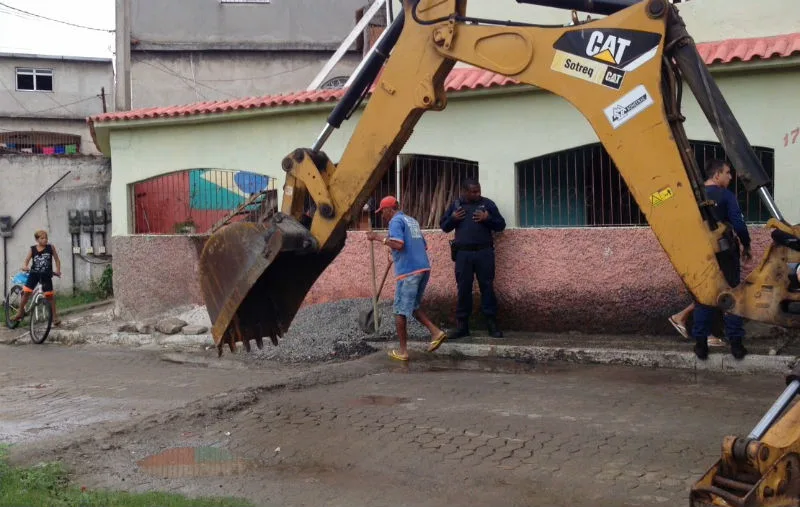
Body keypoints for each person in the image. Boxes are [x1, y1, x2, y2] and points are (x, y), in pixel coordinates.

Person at [367, 196, 447, 361]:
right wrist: (394, 254)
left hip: (409, 272)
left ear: (390, 209)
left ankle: (403, 351)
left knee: (399, 310)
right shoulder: (412, 221)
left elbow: (399, 244)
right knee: (412, 307)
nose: (382, 215)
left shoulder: (395, 222)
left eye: (382, 211)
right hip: (423, 268)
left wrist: (378, 238)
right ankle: (436, 332)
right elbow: (422, 245)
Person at [691, 159, 753, 360]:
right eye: (727, 172)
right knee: (731, 294)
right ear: (717, 174)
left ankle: (701, 345)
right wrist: (747, 245)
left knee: (703, 296)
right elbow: (739, 224)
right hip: (726, 253)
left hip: (701, 254)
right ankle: (736, 345)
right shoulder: (726, 196)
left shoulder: (692, 197)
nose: (730, 176)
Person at [440, 179, 506, 338]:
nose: (478, 194)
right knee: (463, 289)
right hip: (463, 254)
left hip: (484, 253)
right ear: (464, 192)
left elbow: (501, 225)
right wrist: (453, 218)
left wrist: (487, 219)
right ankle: (462, 326)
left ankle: (491, 324)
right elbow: (444, 226)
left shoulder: (488, 204)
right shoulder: (456, 206)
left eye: (478, 190)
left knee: (487, 287)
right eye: (474, 192)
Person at [12, 229, 62, 326]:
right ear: (37, 240)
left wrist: (58, 270)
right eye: (42, 238)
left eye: (46, 238)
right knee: (26, 292)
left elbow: (57, 260)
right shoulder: (33, 249)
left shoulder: (51, 248)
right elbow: (26, 260)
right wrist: (25, 266)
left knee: (50, 296)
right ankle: (20, 311)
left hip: (46, 275)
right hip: (34, 274)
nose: (45, 240)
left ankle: (55, 318)